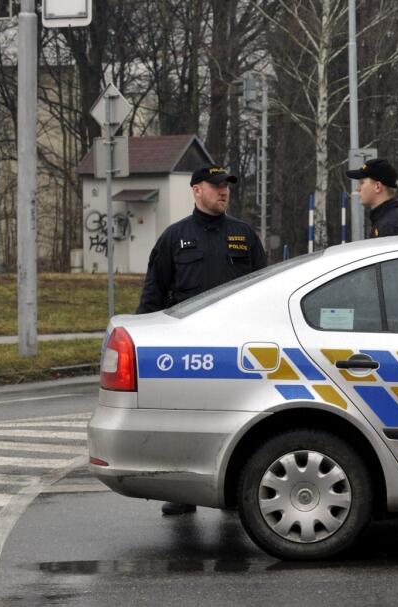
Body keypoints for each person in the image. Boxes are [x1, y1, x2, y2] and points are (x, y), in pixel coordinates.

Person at [137, 164, 267, 515]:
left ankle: (237, 490)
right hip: (187, 350)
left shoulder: (244, 235)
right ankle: (182, 492)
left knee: (241, 420)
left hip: (237, 351)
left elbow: (264, 293)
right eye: (216, 186)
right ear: (196, 190)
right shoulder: (173, 238)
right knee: (184, 421)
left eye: (227, 186)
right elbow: (153, 295)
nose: (224, 192)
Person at [346, 158, 398, 238]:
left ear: (377, 187)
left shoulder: (389, 226)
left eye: (361, 183)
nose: (357, 189)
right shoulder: (384, 220)